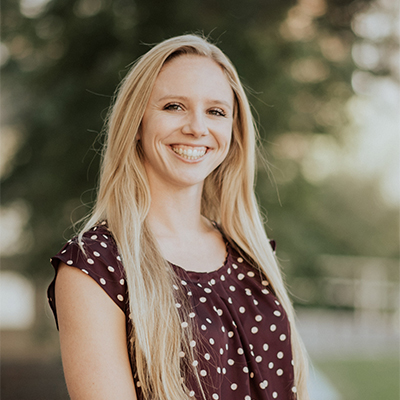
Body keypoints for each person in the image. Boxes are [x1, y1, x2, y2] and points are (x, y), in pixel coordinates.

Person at [47, 34, 309, 400]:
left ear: (233, 132)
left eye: (216, 111)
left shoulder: (252, 255)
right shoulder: (95, 267)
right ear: (137, 123)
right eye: (174, 106)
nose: (197, 127)